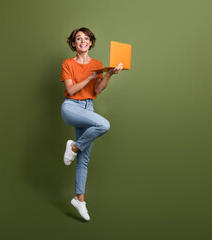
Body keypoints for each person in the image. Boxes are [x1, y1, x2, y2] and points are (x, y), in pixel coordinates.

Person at [60, 27, 123, 221]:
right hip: (71, 107)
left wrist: (110, 74)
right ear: (73, 44)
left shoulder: (97, 63)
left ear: (91, 43)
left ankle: (79, 200)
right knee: (104, 125)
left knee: (84, 158)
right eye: (78, 39)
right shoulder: (68, 63)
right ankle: (74, 146)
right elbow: (71, 91)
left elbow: (98, 89)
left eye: (86, 38)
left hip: (88, 107)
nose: (83, 41)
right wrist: (89, 76)